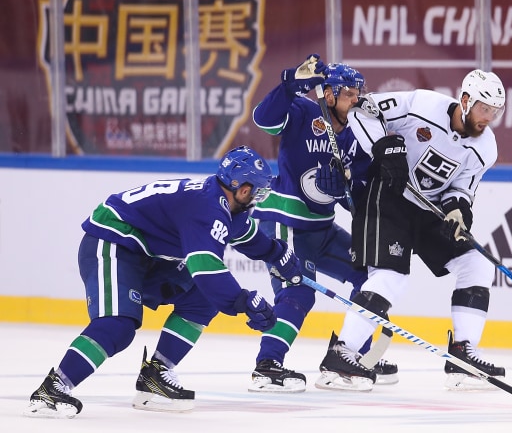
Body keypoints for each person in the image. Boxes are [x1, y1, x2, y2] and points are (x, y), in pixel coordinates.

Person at [24, 146, 303, 418]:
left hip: (146, 254)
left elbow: (249, 238)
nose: (258, 199)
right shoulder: (208, 209)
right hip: (112, 241)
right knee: (117, 326)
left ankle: (156, 375)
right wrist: (242, 301)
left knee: (202, 299)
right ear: (242, 189)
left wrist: (279, 254)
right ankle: (53, 388)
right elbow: (205, 268)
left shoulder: (227, 206)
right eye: (258, 192)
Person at [317, 69, 507, 392]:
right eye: (483, 109)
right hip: (389, 198)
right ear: (465, 101)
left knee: (477, 263)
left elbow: (462, 186)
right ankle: (340, 355)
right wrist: (386, 147)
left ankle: (462, 355)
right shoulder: (421, 105)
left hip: (429, 209)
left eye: (494, 112)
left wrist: (458, 210)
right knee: (390, 278)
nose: (488, 118)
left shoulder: (486, 148)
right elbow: (362, 110)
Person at [249, 54, 397, 392]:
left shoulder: (358, 130)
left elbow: (360, 186)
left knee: (368, 276)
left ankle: (349, 355)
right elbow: (263, 120)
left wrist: (347, 192)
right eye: (347, 93)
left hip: (322, 228)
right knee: (298, 291)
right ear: (327, 94)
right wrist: (288, 85)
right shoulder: (304, 110)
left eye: (358, 93)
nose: (355, 100)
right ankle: (267, 366)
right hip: (286, 222)